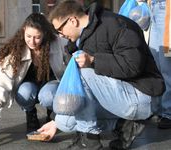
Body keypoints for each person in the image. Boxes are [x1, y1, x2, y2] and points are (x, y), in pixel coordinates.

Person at [37, 0, 165, 149]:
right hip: (118, 96)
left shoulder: (117, 25)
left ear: (72, 20)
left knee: (82, 73)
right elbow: (73, 87)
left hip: (142, 96)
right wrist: (54, 121)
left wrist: (93, 60)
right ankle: (123, 126)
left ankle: (90, 140)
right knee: (64, 122)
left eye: (59, 30)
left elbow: (133, 65)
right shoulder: (77, 40)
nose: (60, 35)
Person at [0, 13, 68, 133]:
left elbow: (73, 62)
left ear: (45, 34)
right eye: (28, 36)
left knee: (48, 95)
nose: (32, 41)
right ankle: (30, 113)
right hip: (29, 86)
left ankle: (52, 115)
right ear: (24, 30)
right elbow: (3, 79)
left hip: (52, 84)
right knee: (24, 93)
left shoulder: (59, 44)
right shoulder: (16, 50)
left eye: (37, 37)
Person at [148, 0, 171, 129]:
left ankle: (168, 112)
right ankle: (158, 109)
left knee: (166, 66)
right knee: (155, 64)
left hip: (166, 7)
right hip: (153, 7)